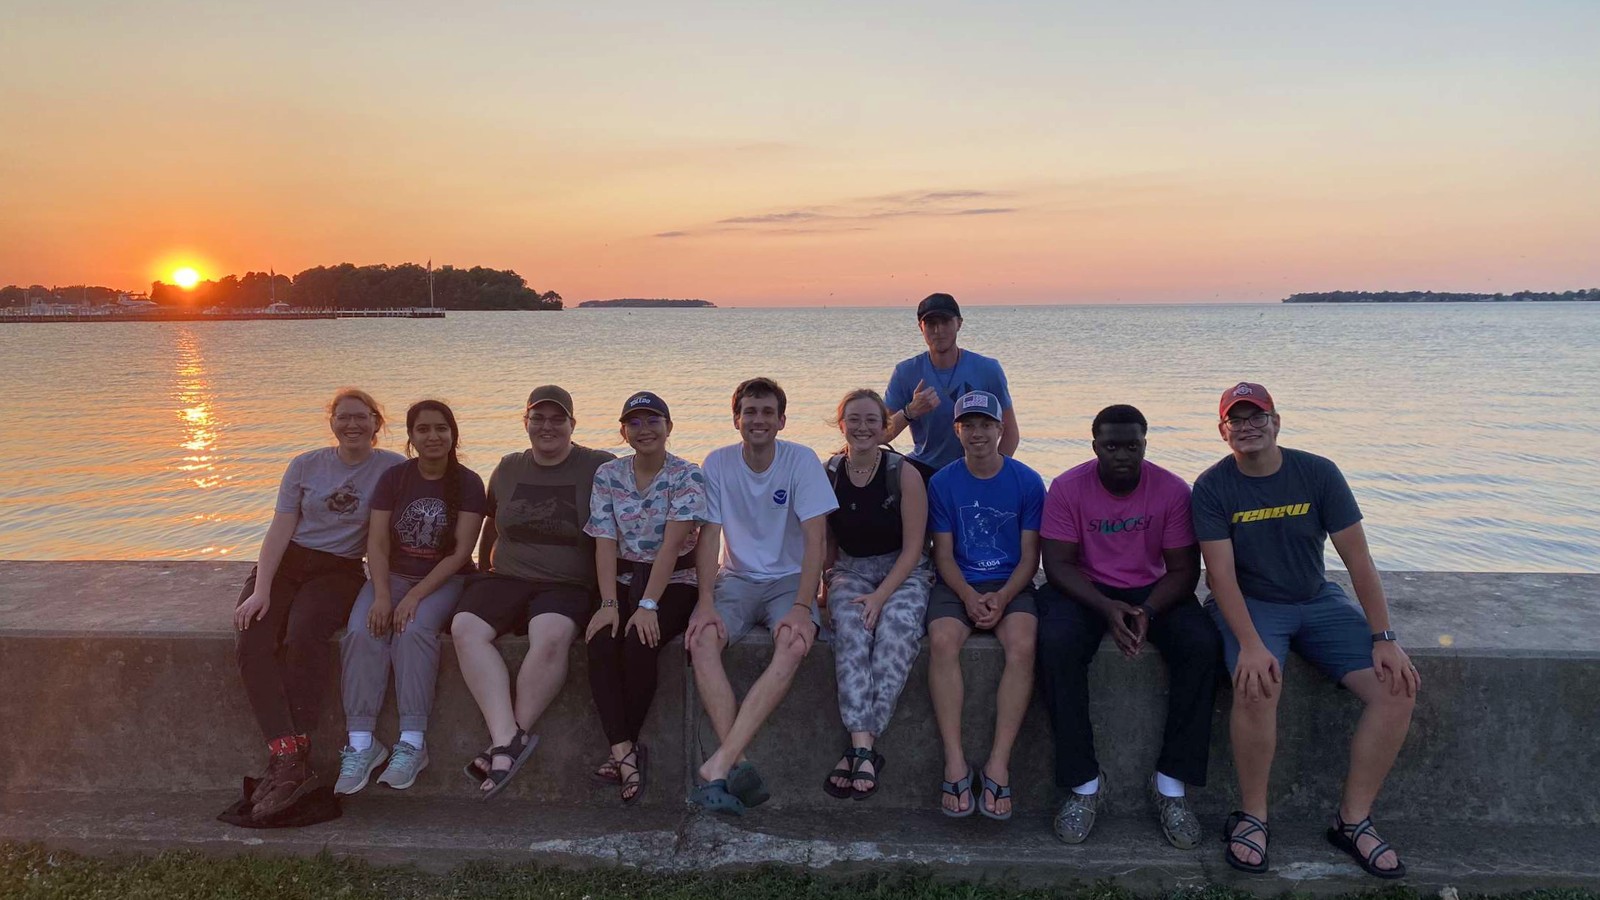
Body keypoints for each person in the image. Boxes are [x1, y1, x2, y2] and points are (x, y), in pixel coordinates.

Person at [1195, 382, 1419, 878]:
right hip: (1254, 606)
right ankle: (1254, 816)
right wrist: (1250, 645)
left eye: (1259, 417)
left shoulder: (1317, 473)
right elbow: (1220, 576)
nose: (1249, 426)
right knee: (1256, 686)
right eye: (1238, 419)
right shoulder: (1212, 487)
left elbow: (1357, 558)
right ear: (1222, 431)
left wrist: (1385, 637)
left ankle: (1353, 820)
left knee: (1397, 689)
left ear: (1277, 422)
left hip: (1316, 601)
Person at [1034, 404, 1221, 849]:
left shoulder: (1172, 490)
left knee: (1202, 646)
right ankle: (1084, 784)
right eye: (1111, 445)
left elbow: (1182, 571)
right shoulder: (1067, 487)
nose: (1122, 454)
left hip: (1154, 590)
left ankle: (1171, 784)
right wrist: (1105, 607)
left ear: (1145, 444)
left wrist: (1147, 613)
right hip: (1085, 588)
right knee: (1055, 643)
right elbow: (1056, 565)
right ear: (1095, 444)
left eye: (1132, 445)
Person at [232, 388, 405, 820]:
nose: (352, 425)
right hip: (289, 562)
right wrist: (263, 587)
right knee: (253, 635)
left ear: (376, 423)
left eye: (361, 418)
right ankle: (287, 751)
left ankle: (296, 751)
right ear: (332, 422)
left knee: (304, 634)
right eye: (343, 417)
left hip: (338, 569)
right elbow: (279, 529)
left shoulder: (392, 468)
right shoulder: (305, 464)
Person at [449, 386, 615, 799]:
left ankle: (503, 746)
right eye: (537, 418)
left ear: (572, 424)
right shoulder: (508, 467)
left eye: (557, 419)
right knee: (465, 627)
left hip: (567, 584)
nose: (547, 426)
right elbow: (492, 522)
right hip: (506, 577)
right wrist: (484, 563)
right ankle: (508, 738)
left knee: (550, 637)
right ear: (525, 422)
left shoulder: (598, 465)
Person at [686, 377, 838, 815]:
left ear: (782, 420)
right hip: (735, 579)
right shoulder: (716, 463)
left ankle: (717, 766)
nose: (758, 420)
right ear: (736, 419)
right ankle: (735, 763)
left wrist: (802, 606)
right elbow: (709, 536)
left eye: (767, 412)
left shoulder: (801, 461)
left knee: (793, 642)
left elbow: (816, 540)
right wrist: (707, 601)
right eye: (750, 412)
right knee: (701, 639)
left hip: (790, 579)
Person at [335, 400, 487, 795]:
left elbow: (459, 554)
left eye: (441, 429)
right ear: (411, 436)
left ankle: (412, 743)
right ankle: (361, 744)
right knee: (362, 631)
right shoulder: (394, 478)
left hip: (442, 581)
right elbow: (378, 542)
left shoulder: (469, 483)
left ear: (453, 434)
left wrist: (414, 597)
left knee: (414, 631)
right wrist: (383, 595)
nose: (433, 437)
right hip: (391, 578)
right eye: (423, 429)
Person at [582, 391, 708, 804]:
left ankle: (625, 748)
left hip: (675, 580)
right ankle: (624, 751)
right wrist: (609, 604)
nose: (644, 429)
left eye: (653, 421)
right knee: (601, 642)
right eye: (634, 422)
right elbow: (603, 540)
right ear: (623, 431)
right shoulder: (608, 475)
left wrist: (648, 606)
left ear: (669, 428)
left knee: (641, 642)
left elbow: (673, 546)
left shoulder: (687, 474)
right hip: (620, 576)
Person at [925, 389, 1044, 820]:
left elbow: (1031, 557)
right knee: (941, 641)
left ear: (1001, 429)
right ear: (957, 431)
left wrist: (1002, 597)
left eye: (986, 424)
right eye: (968, 425)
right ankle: (955, 760)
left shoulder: (1027, 481)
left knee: (1024, 645)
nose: (977, 433)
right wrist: (970, 596)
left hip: (1010, 583)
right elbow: (943, 554)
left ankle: (998, 762)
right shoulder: (942, 483)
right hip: (959, 583)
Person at [819, 389, 933, 801]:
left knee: (895, 636)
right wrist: (823, 583)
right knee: (850, 632)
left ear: (885, 426)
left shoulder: (903, 473)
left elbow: (915, 548)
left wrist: (882, 597)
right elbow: (827, 539)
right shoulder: (829, 472)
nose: (863, 427)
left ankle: (859, 747)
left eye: (872, 419)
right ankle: (864, 748)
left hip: (903, 572)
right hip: (850, 569)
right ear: (841, 423)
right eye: (854, 419)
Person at [884, 293, 1019, 484]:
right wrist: (910, 411)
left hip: (974, 469)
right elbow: (880, 433)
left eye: (945, 321)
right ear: (920, 327)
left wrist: (994, 475)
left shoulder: (988, 369)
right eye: (931, 323)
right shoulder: (905, 372)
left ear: (959, 323)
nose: (938, 330)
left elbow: (1010, 433)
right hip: (924, 469)